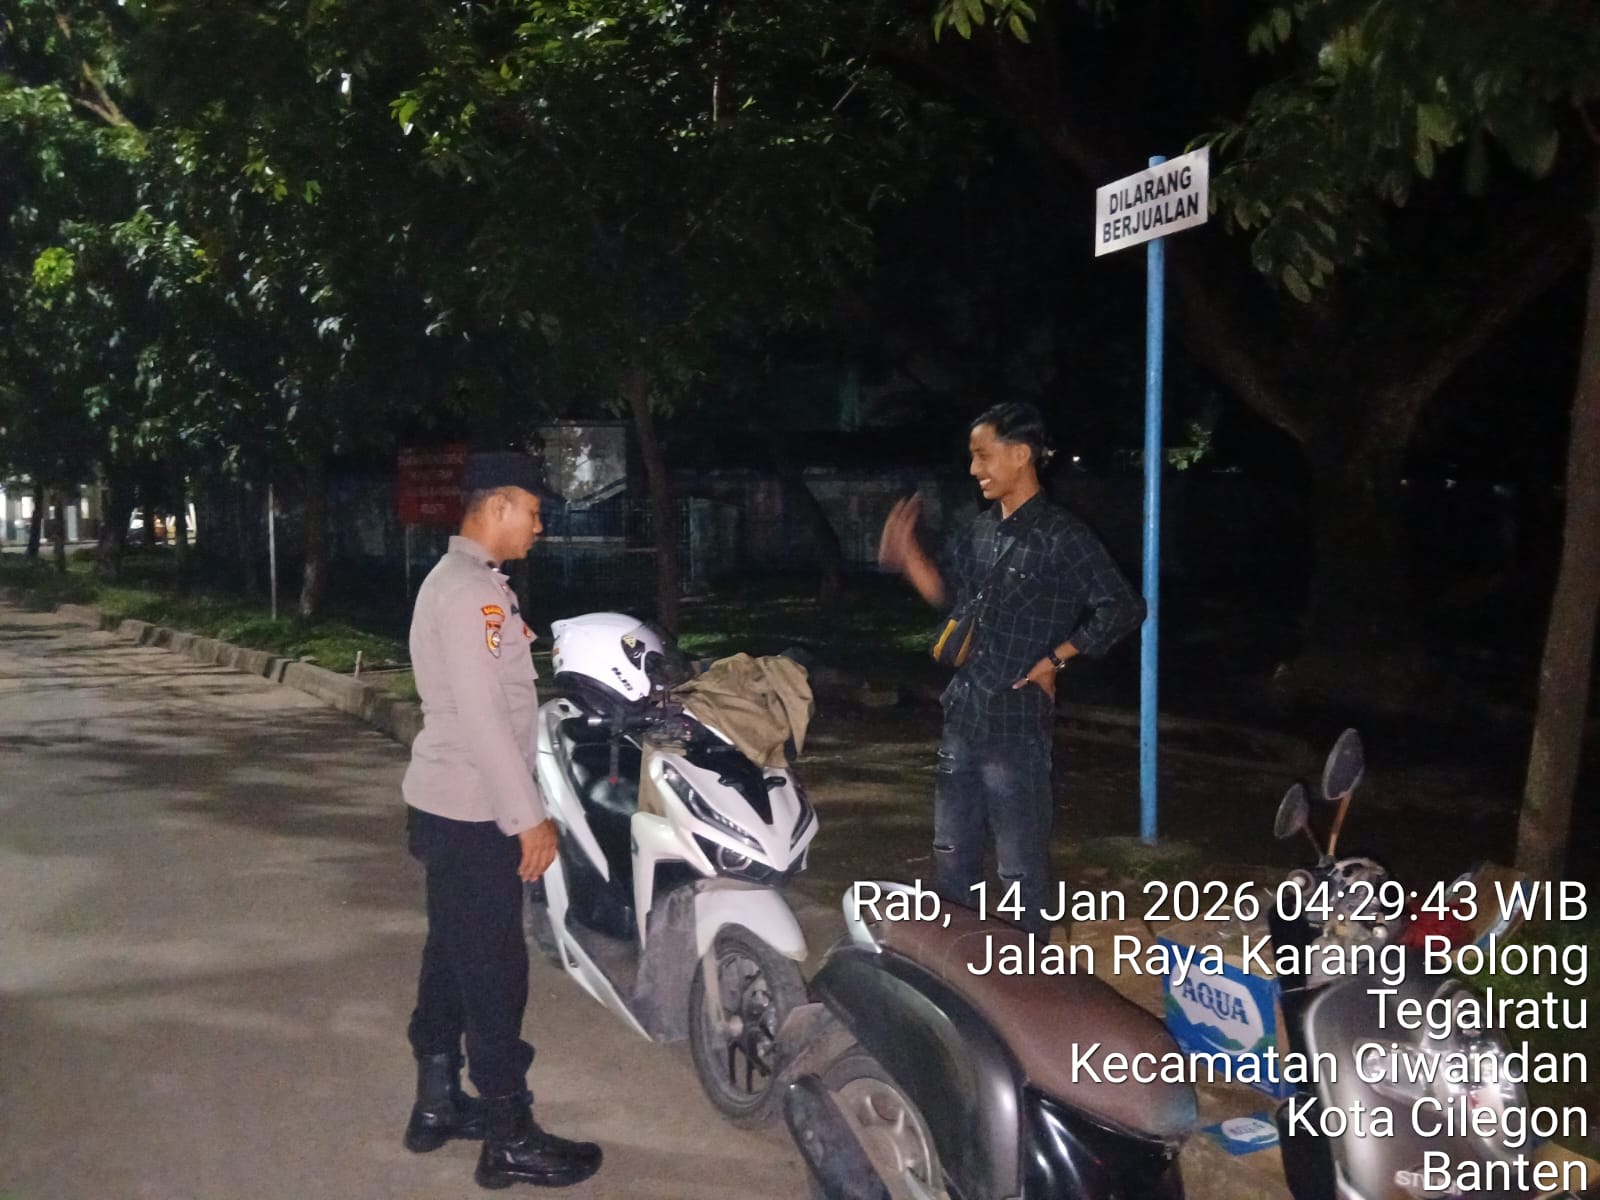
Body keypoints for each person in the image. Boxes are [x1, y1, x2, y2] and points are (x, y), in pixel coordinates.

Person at [401, 450, 602, 1190]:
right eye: (535, 512)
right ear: (499, 506)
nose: (540, 527)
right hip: (475, 810)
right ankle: (509, 1135)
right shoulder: (471, 595)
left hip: (450, 803)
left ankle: (436, 1103)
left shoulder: (468, 583)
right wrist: (528, 819)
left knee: (452, 954)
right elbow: (485, 718)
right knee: (493, 970)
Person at [878, 402, 1144, 936]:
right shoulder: (980, 532)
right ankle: (958, 963)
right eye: (972, 457)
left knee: (1020, 868)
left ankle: (1033, 970)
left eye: (984, 455)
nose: (974, 468)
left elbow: (1122, 607)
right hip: (964, 712)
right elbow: (951, 599)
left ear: (1021, 455)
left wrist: (1056, 659)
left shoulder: (1063, 536)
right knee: (951, 853)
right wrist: (909, 557)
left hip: (1017, 722)